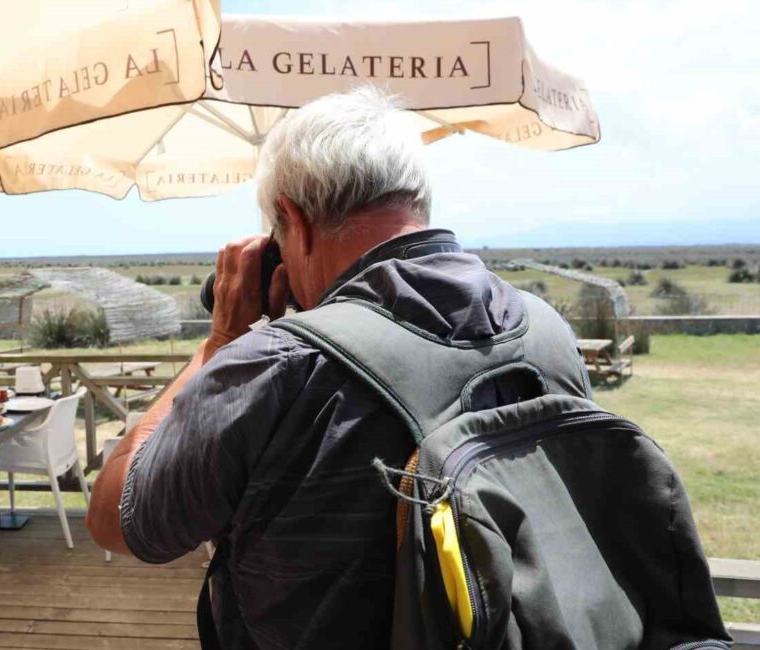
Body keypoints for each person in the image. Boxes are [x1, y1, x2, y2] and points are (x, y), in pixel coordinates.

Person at [86, 86, 529, 648]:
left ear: (293, 220)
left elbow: (114, 517)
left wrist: (219, 341)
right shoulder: (541, 332)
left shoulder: (278, 366)